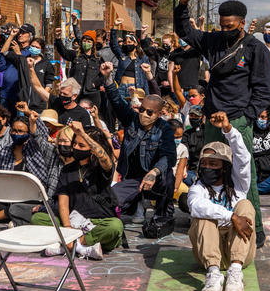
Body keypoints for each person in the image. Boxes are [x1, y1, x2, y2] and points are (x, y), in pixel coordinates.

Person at [175, 0, 270, 248]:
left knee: (244, 174)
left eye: (230, 26)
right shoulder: (214, 41)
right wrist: (183, 5)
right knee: (209, 169)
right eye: (222, 25)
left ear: (242, 23)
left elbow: (264, 88)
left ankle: (256, 228)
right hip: (212, 119)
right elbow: (185, 32)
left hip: (239, 119)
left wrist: (247, 117)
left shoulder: (255, 48)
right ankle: (214, 218)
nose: (226, 29)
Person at [188, 111, 256, 291]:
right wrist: (232, 217)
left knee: (245, 204)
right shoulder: (197, 187)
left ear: (225, 167)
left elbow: (243, 159)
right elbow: (196, 206)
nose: (208, 168)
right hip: (209, 255)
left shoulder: (238, 185)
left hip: (239, 254)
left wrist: (228, 130)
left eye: (214, 163)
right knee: (203, 213)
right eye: (205, 164)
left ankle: (235, 275)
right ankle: (214, 275)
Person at [101, 62, 177, 226]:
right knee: (109, 199)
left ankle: (162, 213)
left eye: (149, 112)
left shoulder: (164, 128)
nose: (144, 114)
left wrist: (153, 173)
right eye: (142, 109)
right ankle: (135, 204)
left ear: (157, 115)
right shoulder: (132, 120)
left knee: (167, 176)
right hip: (134, 178)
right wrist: (108, 78)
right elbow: (117, 101)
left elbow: (169, 157)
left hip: (155, 178)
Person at [32, 123, 123, 260]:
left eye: (81, 145)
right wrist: (68, 226)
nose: (75, 147)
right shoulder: (67, 169)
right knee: (38, 219)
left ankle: (71, 245)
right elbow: (63, 200)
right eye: (74, 143)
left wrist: (83, 134)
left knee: (115, 227)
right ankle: (83, 248)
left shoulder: (101, 168)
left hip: (97, 222)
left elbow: (105, 159)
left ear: (92, 149)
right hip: (73, 223)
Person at [0, 102, 60, 224]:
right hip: (7, 197)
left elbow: (41, 134)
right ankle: (10, 215)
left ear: (28, 133)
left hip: (31, 199)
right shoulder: (5, 151)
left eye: (20, 131)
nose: (16, 134)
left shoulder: (36, 149)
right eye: (14, 131)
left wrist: (29, 113)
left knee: (18, 208)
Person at [54, 27, 103, 106]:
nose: (86, 43)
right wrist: (58, 38)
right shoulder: (76, 55)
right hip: (76, 93)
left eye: (89, 41)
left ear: (93, 43)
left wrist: (95, 84)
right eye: (84, 41)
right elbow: (64, 52)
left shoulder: (98, 59)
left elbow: (103, 75)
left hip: (91, 94)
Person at [110, 19, 150, 97]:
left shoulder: (142, 58)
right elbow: (113, 44)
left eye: (129, 42)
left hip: (135, 88)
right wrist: (115, 27)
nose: (126, 44)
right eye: (125, 43)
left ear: (135, 44)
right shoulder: (123, 55)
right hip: (121, 87)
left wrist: (146, 94)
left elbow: (145, 77)